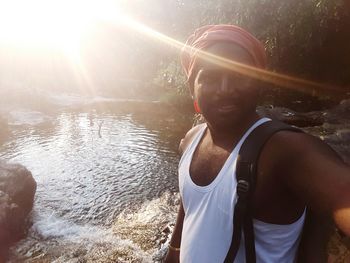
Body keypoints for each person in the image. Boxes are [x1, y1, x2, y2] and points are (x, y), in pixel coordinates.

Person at [164, 25, 350, 263]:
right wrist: (173, 253)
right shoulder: (191, 140)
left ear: (259, 83)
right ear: (192, 88)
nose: (225, 89)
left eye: (239, 75)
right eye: (209, 77)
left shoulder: (282, 151)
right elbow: (190, 205)